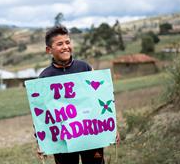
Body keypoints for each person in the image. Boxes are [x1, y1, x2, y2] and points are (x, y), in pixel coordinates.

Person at [37, 25, 119, 164]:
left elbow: (101, 97)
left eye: (67, 42)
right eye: (60, 44)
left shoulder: (85, 68)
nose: (65, 47)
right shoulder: (45, 78)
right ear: (48, 50)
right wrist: (41, 141)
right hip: (63, 140)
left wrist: (112, 127)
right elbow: (42, 113)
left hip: (90, 134)